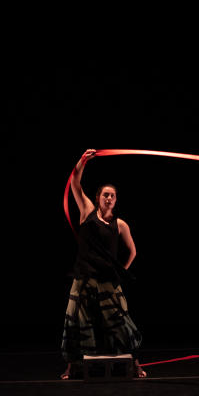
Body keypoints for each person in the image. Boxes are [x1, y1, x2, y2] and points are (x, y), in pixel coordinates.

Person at [61, 149, 146, 379]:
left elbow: (133, 251)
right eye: (105, 195)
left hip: (107, 278)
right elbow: (75, 184)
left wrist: (121, 272)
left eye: (112, 196)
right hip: (83, 275)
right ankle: (71, 366)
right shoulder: (87, 211)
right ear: (98, 198)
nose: (109, 198)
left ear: (116, 200)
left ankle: (135, 364)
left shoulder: (121, 225)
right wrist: (82, 161)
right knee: (74, 319)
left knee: (120, 319)